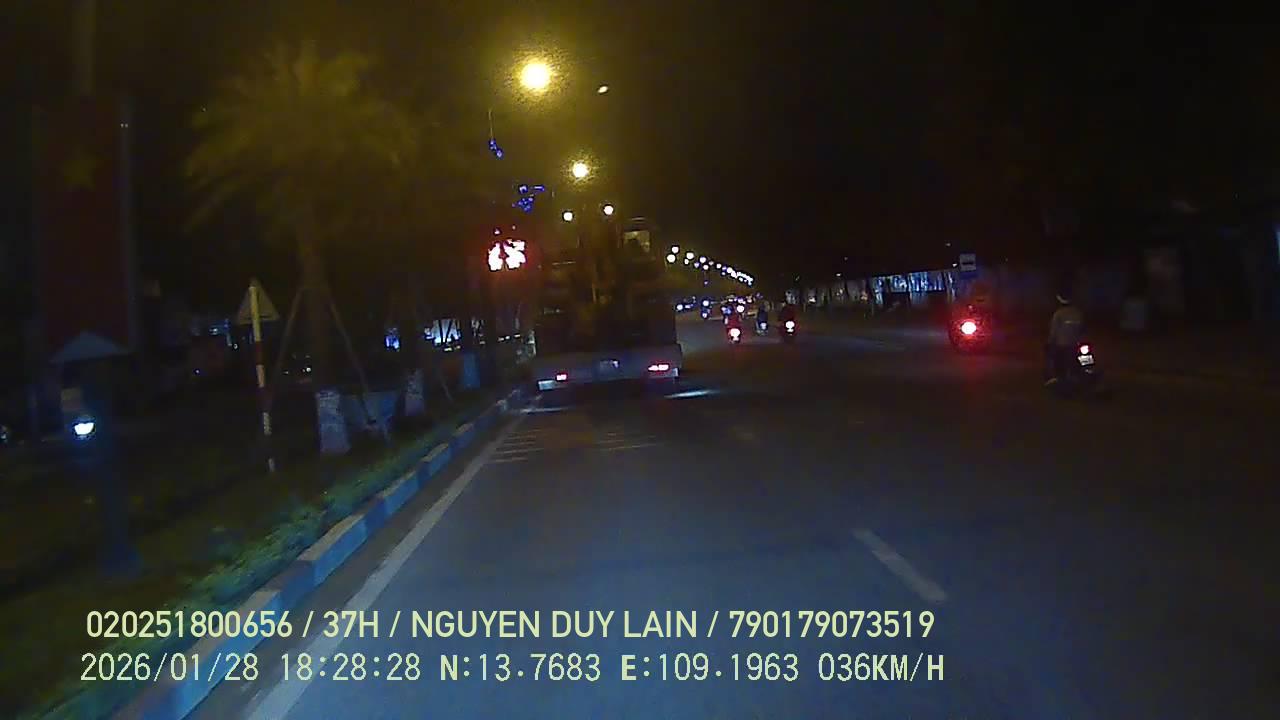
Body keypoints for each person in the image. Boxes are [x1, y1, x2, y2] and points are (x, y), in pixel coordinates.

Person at [1045, 292, 1085, 384]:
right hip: (1076, 344)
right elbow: (1082, 329)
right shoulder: (1078, 313)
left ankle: (1059, 378)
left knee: (1057, 362)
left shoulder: (1058, 314)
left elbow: (1054, 331)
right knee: (1078, 361)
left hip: (1062, 345)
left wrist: (1050, 343)